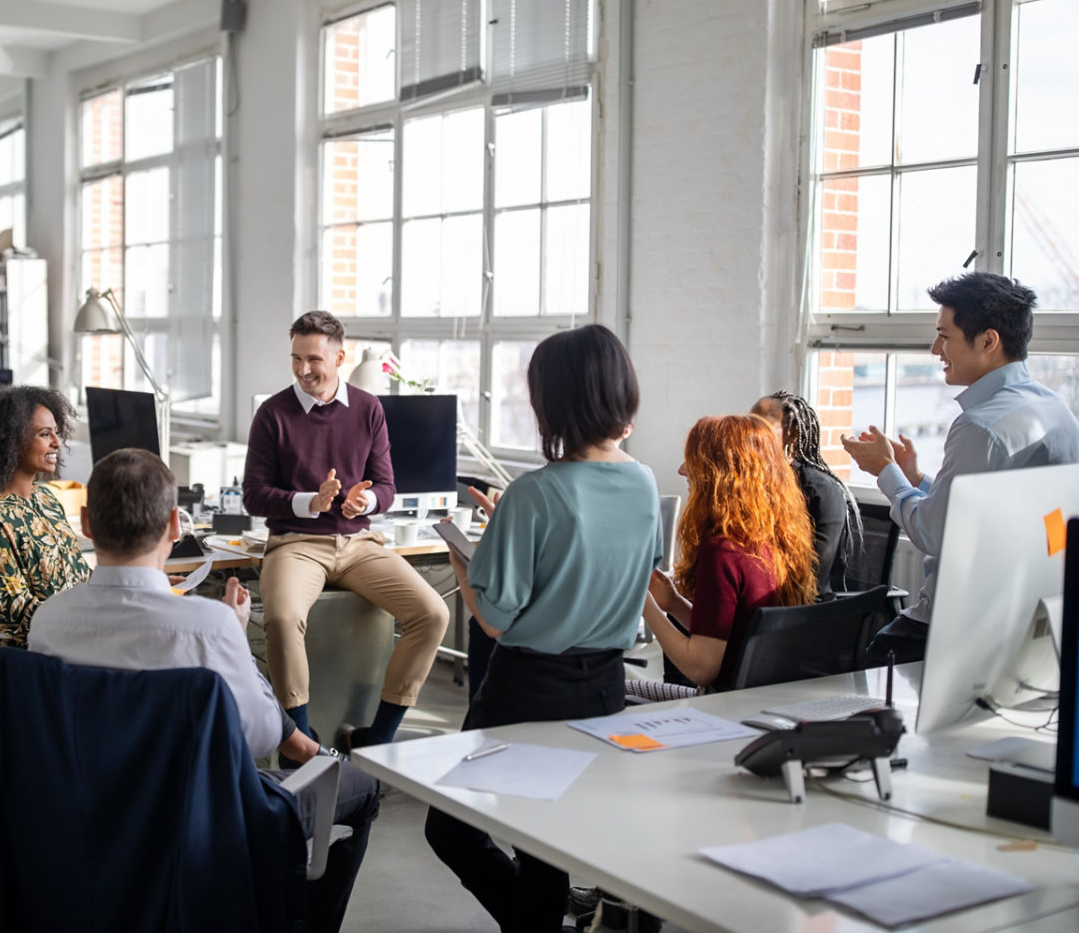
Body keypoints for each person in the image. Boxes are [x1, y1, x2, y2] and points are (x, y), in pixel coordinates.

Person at [28, 448, 380, 933]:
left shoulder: (47, 621)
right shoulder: (207, 627)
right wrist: (233, 636)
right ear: (176, 525)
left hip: (86, 816)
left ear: (86, 523)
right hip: (199, 820)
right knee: (364, 789)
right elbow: (257, 741)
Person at [424, 324, 662, 933]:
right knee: (546, 840)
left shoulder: (535, 493)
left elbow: (495, 618)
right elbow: (606, 563)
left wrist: (467, 554)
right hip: (605, 688)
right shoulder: (644, 482)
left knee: (452, 828)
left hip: (527, 690)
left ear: (552, 401)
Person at [842, 272, 1079, 663]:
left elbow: (936, 534)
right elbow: (988, 508)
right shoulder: (1053, 409)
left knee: (861, 676)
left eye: (945, 335)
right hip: (1032, 619)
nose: (936, 348)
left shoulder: (980, 426)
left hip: (959, 624)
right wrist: (916, 479)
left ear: (988, 341)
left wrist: (886, 473)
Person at [243, 310, 449, 751]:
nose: (303, 370)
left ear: (340, 356)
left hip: (359, 544)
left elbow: (388, 487)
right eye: (296, 358)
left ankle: (378, 738)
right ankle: (299, 740)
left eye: (314, 359)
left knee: (433, 614)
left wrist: (365, 501)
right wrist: (309, 502)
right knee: (281, 619)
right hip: (296, 544)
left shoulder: (368, 409)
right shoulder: (272, 414)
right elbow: (254, 496)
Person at [640, 415, 817, 692]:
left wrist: (643, 603)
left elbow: (701, 668)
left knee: (625, 689)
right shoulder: (773, 541)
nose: (682, 470)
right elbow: (732, 637)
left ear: (719, 474)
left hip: (722, 707)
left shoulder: (722, 553)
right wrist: (673, 603)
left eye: (694, 462)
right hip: (764, 699)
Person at [0, 385, 90, 645]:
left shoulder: (45, 498)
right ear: (10, 442)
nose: (57, 443)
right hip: (38, 655)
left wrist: (141, 587)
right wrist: (96, 619)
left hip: (80, 638)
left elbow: (81, 579)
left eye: (56, 433)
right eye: (44, 434)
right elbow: (17, 617)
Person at [750, 390, 862, 594]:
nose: (750, 432)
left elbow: (812, 574)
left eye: (760, 425)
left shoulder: (821, 490)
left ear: (792, 432)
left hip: (805, 609)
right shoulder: (755, 482)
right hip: (761, 597)